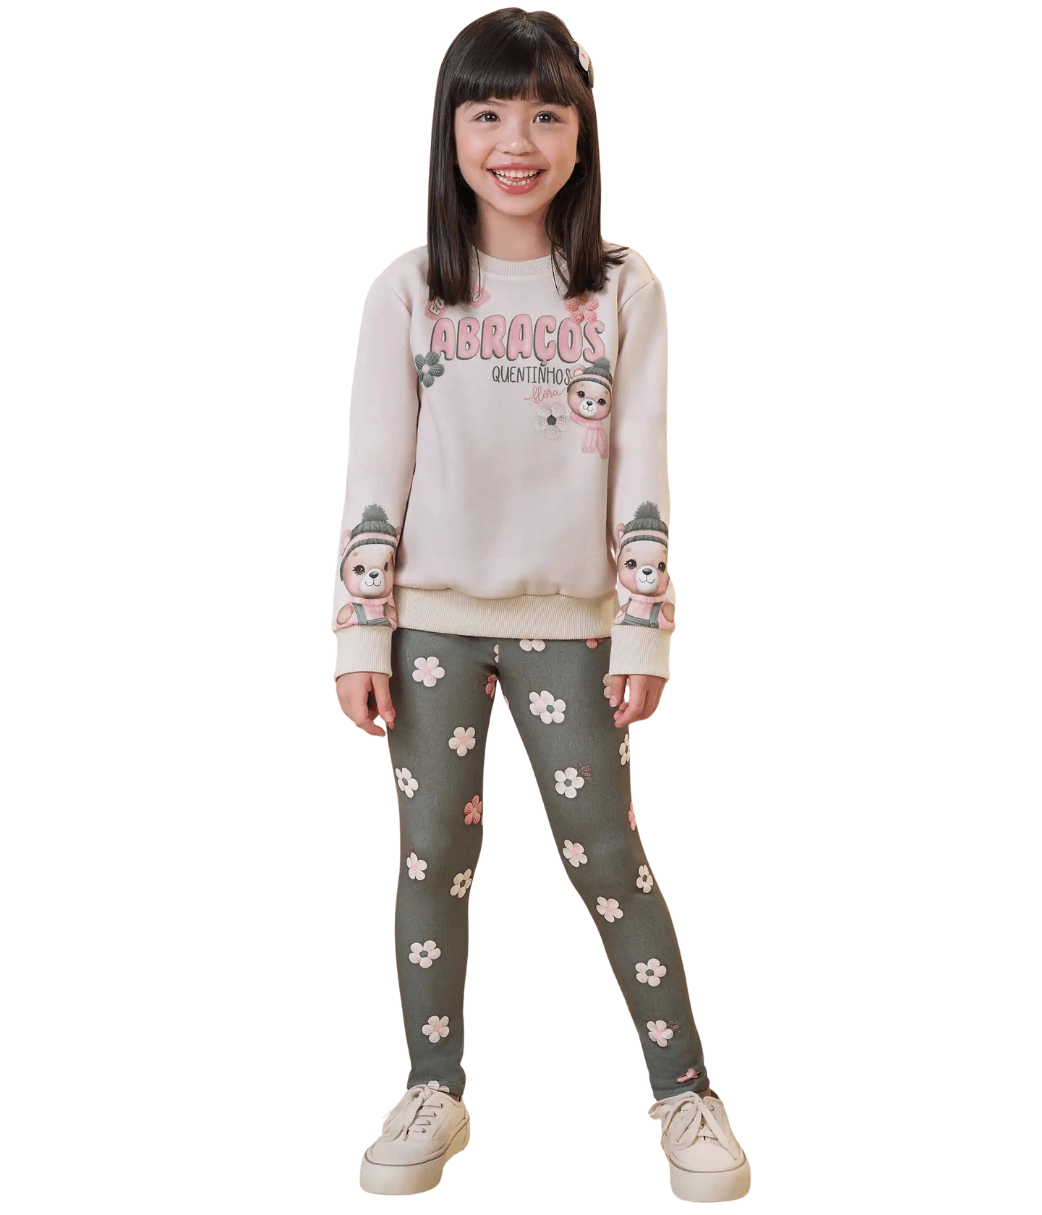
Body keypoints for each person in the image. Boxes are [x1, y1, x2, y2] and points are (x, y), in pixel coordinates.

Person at [333, 10, 750, 1202]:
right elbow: (375, 467)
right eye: (488, 113)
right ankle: (434, 1087)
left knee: (607, 854)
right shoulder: (409, 290)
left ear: (580, 133)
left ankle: (686, 1093)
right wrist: (359, 629)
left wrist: (645, 619)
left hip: (573, 622)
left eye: (545, 114)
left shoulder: (620, 288)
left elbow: (642, 459)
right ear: (451, 130)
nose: (516, 142)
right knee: (432, 857)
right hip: (427, 625)